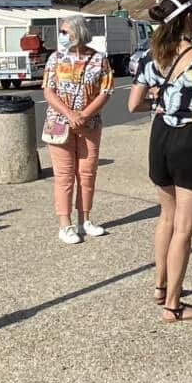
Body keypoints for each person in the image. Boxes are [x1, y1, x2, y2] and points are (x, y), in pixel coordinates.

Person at [127, 0, 192, 322]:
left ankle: (160, 287)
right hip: (191, 140)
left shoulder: (150, 57)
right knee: (184, 228)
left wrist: (162, 102)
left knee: (166, 218)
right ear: (187, 19)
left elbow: (133, 105)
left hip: (161, 138)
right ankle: (174, 305)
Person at [41, 15, 113, 244]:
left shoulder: (99, 59)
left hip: (89, 124)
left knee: (87, 173)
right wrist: (69, 114)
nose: (61, 36)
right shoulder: (55, 59)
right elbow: (48, 91)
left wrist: (84, 114)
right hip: (59, 123)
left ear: (78, 33)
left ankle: (85, 219)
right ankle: (65, 224)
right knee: (64, 175)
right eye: (61, 32)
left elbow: (105, 91)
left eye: (65, 32)